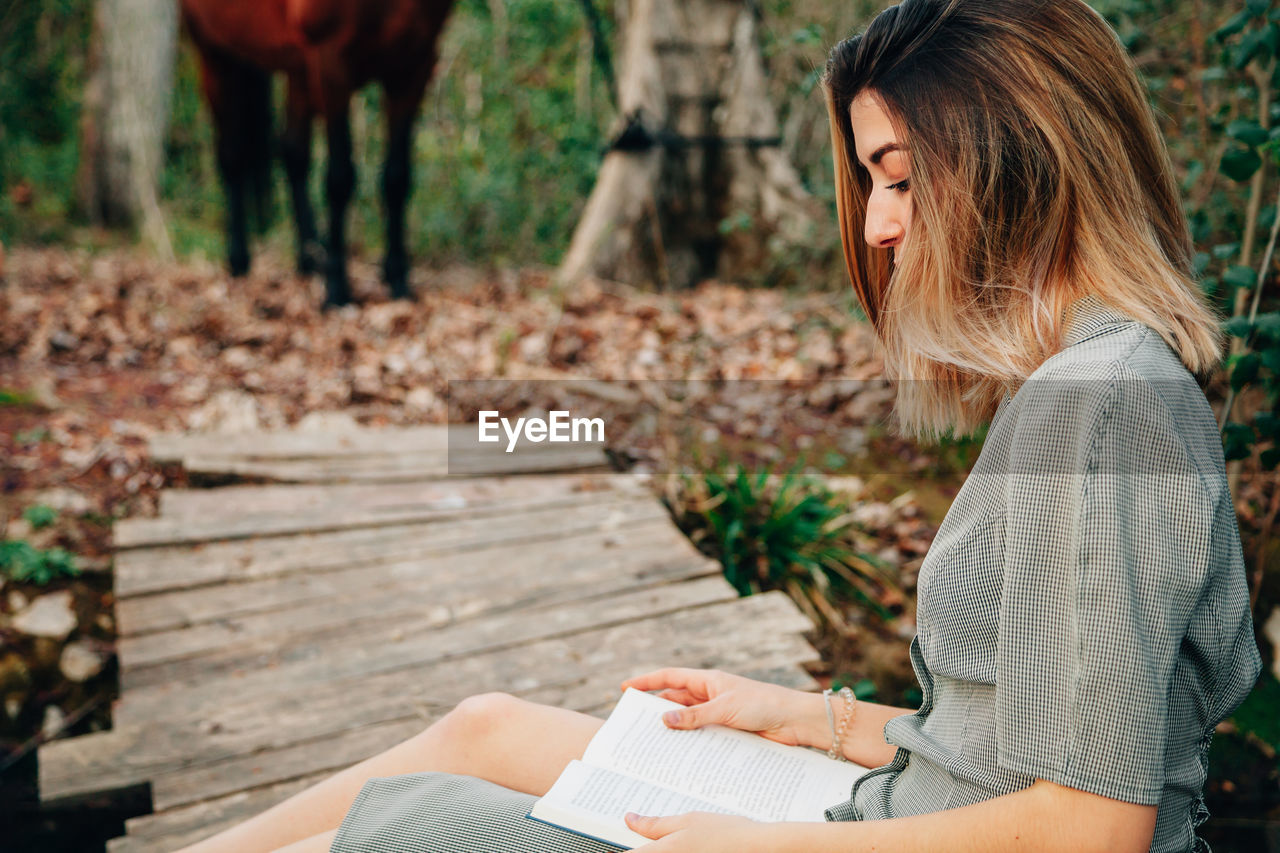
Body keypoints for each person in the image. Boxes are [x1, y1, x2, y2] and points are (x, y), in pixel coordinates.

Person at [179, 1, 1263, 851]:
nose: (879, 227)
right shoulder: (1083, 374)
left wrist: (763, 845)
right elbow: (1006, 742)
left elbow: (1091, 825)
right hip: (894, 797)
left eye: (896, 178)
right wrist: (799, 716)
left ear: (1016, 150)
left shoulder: (1100, 401)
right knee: (483, 726)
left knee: (402, 829)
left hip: (895, 835)